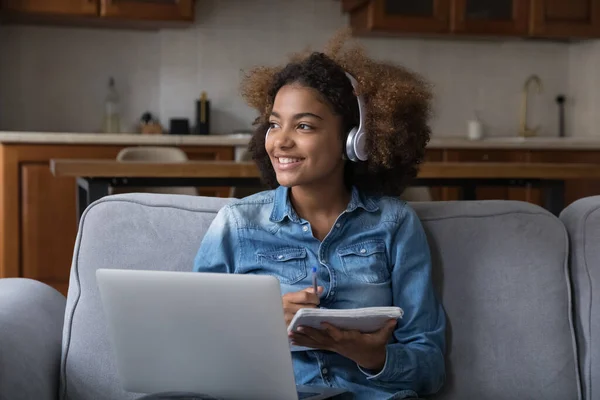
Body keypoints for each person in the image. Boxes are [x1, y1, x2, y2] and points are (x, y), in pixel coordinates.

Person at [193, 31, 446, 399]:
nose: (280, 141)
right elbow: (194, 346)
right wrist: (259, 323)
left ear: (354, 138)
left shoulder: (394, 224)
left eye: (304, 125)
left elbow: (430, 366)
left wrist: (370, 355)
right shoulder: (237, 224)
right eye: (275, 123)